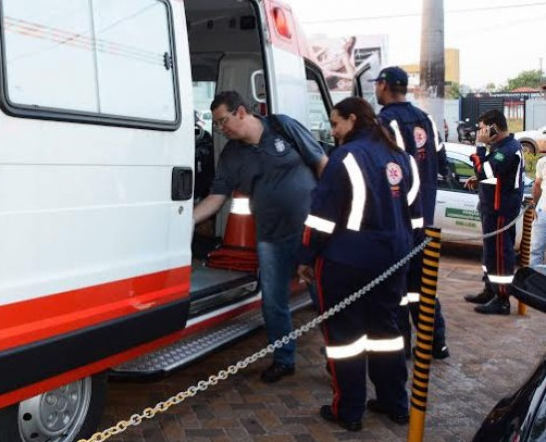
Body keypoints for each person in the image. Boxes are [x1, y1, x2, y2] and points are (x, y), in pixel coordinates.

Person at [298, 97, 422, 432]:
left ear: (352, 119)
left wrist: (307, 257)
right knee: (386, 333)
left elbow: (322, 217)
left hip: (346, 262)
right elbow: (414, 214)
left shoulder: (345, 157)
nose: (334, 131)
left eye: (336, 124)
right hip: (394, 258)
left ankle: (349, 410)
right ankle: (393, 402)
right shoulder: (402, 157)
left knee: (345, 338)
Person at [193, 91, 328, 383]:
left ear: (241, 112)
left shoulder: (283, 127)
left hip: (310, 233)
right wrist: (186, 220)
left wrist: (333, 211)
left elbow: (321, 163)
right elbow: (217, 197)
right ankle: (283, 359)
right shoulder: (231, 154)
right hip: (270, 237)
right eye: (216, 124)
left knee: (324, 297)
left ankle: (339, 360)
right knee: (273, 301)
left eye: (223, 121)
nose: (220, 129)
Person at [374, 66, 450, 360]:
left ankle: (402, 347)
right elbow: (441, 162)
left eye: (377, 85)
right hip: (424, 217)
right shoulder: (427, 119)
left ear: (383, 85)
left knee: (398, 289)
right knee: (423, 285)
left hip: (398, 219)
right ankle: (436, 342)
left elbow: (384, 171)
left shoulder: (385, 122)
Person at [463, 109, 525, 314]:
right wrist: (479, 180)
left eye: (482, 129)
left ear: (494, 128)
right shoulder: (499, 148)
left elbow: (484, 170)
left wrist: (480, 147)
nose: (479, 133)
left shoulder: (507, 149)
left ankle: (502, 298)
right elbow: (494, 175)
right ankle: (490, 289)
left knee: (500, 254)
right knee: (490, 252)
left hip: (501, 211)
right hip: (491, 208)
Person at [530, 155, 546, 267]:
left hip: (542, 210)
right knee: (536, 250)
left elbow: (537, 185)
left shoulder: (543, 161)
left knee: (536, 250)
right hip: (542, 211)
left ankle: (534, 281)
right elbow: (536, 185)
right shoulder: (542, 162)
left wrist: (534, 206)